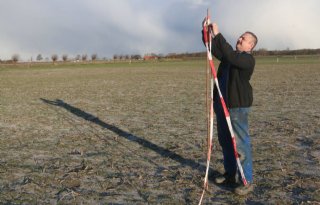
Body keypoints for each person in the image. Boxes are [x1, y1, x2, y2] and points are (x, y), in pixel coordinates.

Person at [202, 21, 258, 195]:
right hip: (222, 106)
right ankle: (229, 174)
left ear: (251, 46)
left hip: (237, 108)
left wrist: (218, 34)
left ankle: (246, 181)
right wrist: (206, 31)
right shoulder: (230, 56)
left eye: (245, 38)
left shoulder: (246, 60)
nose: (240, 39)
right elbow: (212, 47)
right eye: (241, 36)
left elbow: (228, 54)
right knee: (225, 141)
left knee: (240, 145)